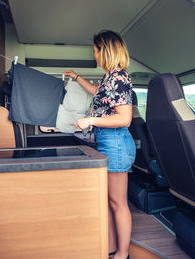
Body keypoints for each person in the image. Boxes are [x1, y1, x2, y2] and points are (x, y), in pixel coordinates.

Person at [64, 30, 136, 259]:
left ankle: (122, 254)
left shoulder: (119, 77)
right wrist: (76, 77)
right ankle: (112, 246)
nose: (94, 55)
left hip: (115, 142)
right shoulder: (109, 77)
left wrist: (90, 119)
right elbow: (98, 93)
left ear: (104, 50)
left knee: (118, 202)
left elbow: (125, 118)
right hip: (109, 141)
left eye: (95, 50)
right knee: (110, 200)